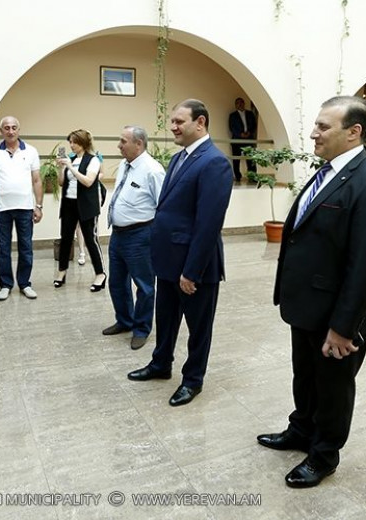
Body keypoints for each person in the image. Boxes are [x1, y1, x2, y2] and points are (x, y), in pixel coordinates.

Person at [256, 96, 366, 488]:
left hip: (337, 314)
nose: (313, 133)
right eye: (315, 125)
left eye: (323, 126)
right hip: (306, 305)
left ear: (354, 132)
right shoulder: (327, 171)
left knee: (333, 389)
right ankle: (301, 430)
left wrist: (343, 327)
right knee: (304, 377)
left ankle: (323, 456)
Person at [127, 99, 233, 408]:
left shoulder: (214, 162)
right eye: (172, 121)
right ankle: (161, 364)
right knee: (166, 318)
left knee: (198, 328)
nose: (172, 126)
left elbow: (208, 223)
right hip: (168, 261)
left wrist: (192, 271)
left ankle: (192, 380)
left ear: (200, 123)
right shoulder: (178, 158)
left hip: (194, 266)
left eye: (179, 121)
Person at [102, 126, 164, 350]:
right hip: (118, 235)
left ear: (138, 144)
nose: (119, 145)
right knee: (117, 282)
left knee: (144, 285)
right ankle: (125, 321)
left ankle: (141, 329)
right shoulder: (124, 164)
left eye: (123, 141)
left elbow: (163, 207)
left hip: (141, 235)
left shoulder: (153, 170)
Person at [0, 116, 43, 301]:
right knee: (3, 248)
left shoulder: (31, 151)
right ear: (1, 131)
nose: (10, 131)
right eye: (7, 128)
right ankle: (5, 285)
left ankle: (25, 284)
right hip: (1, 209)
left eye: (14, 127)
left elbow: (36, 180)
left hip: (25, 208)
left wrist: (38, 206)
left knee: (26, 247)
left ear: (19, 129)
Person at [54, 129, 106, 291]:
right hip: (69, 204)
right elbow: (61, 183)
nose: (71, 145)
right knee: (66, 238)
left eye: (74, 142)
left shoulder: (93, 160)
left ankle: (100, 274)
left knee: (90, 239)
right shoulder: (70, 159)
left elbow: (88, 181)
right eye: (70, 142)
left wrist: (71, 167)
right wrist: (61, 168)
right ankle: (61, 272)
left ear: (83, 143)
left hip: (87, 205)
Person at [228, 97, 257, 182]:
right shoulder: (232, 115)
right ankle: (237, 176)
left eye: (241, 102)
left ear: (244, 103)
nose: (240, 104)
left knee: (251, 159)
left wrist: (249, 133)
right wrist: (240, 134)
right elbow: (232, 127)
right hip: (237, 140)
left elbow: (254, 125)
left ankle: (252, 176)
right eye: (238, 103)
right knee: (236, 159)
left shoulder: (250, 114)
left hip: (249, 139)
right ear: (235, 105)